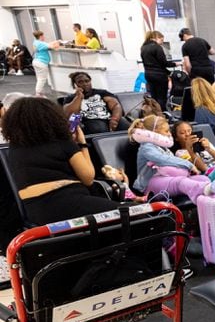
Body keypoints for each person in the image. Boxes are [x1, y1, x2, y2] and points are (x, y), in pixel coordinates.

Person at [3, 97, 117, 225]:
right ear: (52, 117)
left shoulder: (14, 148)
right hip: (70, 202)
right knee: (135, 213)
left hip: (36, 212)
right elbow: (88, 177)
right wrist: (82, 144)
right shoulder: (62, 141)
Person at [129, 115, 215, 203]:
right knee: (180, 182)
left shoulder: (163, 148)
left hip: (166, 178)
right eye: (166, 131)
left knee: (203, 179)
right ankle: (209, 189)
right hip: (150, 184)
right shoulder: (146, 147)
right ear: (154, 132)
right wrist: (188, 165)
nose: (169, 134)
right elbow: (163, 160)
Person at [62, 71, 130, 134]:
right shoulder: (71, 98)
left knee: (126, 125)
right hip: (89, 121)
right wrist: (79, 97)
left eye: (87, 81)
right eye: (80, 82)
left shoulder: (101, 93)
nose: (85, 84)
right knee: (100, 128)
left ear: (90, 81)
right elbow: (69, 113)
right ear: (75, 85)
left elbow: (116, 105)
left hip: (109, 118)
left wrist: (115, 119)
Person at [140, 30, 171, 111]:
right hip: (159, 75)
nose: (162, 42)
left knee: (154, 97)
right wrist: (175, 64)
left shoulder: (143, 48)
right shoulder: (157, 47)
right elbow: (163, 63)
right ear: (155, 38)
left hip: (148, 75)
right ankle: (163, 113)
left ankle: (155, 113)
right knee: (162, 97)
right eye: (161, 40)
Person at [31, 30, 60, 97]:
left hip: (36, 61)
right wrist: (57, 42)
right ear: (41, 36)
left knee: (39, 78)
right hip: (41, 63)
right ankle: (38, 94)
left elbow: (48, 44)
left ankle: (40, 92)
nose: (44, 37)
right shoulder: (41, 43)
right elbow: (53, 47)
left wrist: (54, 42)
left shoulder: (36, 42)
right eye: (43, 35)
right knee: (42, 79)